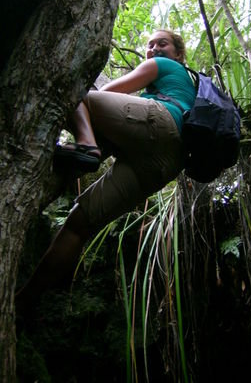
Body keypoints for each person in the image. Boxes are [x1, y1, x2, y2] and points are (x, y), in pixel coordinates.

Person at [16, 30, 196, 308]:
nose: (155, 49)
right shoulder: (186, 87)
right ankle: (26, 302)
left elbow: (106, 93)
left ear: (178, 54)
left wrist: (84, 124)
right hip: (167, 164)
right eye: (149, 45)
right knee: (79, 224)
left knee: (75, 93)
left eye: (163, 43)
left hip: (160, 122)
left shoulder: (164, 66)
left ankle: (86, 145)